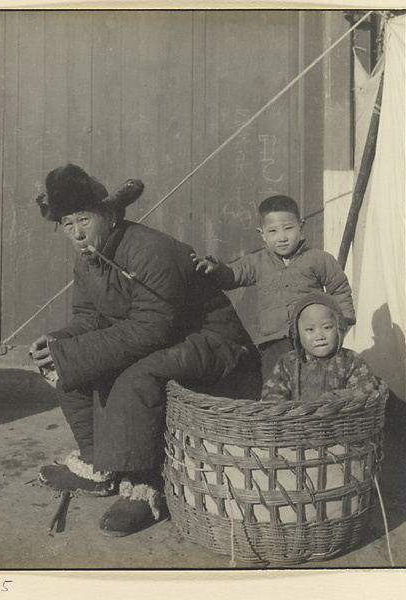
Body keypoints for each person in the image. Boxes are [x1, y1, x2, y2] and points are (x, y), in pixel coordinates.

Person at [29, 164, 252, 537]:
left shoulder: (151, 249)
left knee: (136, 376)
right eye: (68, 224)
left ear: (110, 214)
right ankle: (96, 464)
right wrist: (58, 341)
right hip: (161, 337)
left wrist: (75, 351)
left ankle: (144, 488)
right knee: (66, 356)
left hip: (211, 339)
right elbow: (89, 317)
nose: (78, 233)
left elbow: (153, 329)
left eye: (84, 219)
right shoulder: (86, 259)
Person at [192, 195, 356, 379]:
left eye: (288, 228)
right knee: (274, 386)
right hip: (273, 344)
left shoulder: (318, 259)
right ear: (262, 234)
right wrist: (216, 269)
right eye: (273, 231)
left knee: (317, 380)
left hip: (310, 338)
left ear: (301, 227)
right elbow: (233, 275)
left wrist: (343, 324)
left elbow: (339, 289)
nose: (282, 237)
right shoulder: (257, 262)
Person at [260, 292, 384, 403]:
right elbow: (272, 395)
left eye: (327, 327)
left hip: (340, 425)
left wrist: (334, 399)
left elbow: (365, 388)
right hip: (297, 426)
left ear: (339, 327)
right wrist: (290, 414)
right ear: (297, 333)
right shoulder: (288, 363)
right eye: (310, 329)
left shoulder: (350, 360)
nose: (319, 336)